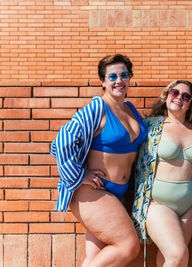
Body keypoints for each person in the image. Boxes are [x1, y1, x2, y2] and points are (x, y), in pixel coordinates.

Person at [50, 54, 144, 266]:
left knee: (95, 259)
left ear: (130, 78)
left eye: (123, 75)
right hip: (94, 192)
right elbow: (62, 141)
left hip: (116, 194)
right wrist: (79, 175)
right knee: (129, 246)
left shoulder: (130, 108)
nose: (118, 80)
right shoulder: (97, 108)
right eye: (112, 76)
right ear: (103, 81)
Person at [132, 80, 192, 267]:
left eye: (186, 96)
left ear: (191, 102)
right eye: (175, 92)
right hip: (158, 203)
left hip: (190, 205)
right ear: (166, 96)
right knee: (178, 254)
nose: (180, 97)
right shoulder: (151, 126)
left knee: (169, 258)